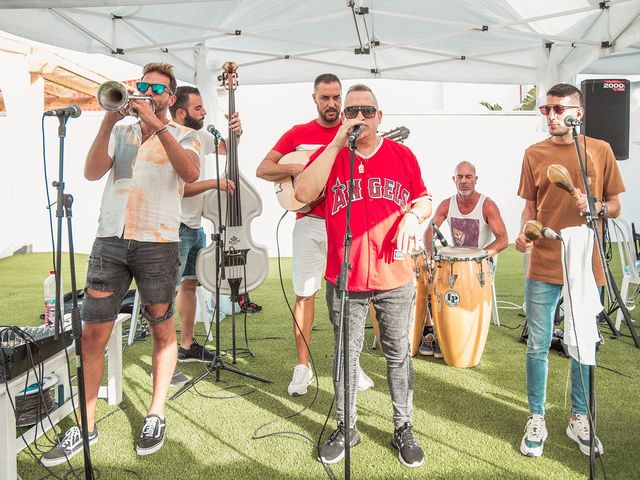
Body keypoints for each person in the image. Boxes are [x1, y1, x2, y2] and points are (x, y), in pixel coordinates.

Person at [41, 62, 201, 466]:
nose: (148, 93)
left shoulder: (185, 135)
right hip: (111, 239)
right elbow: (93, 173)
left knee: (162, 328)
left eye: (158, 89)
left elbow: (189, 172)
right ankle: (86, 422)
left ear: (171, 97)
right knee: (93, 334)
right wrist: (108, 118)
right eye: (143, 86)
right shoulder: (119, 130)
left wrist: (156, 124)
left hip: (159, 241)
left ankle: (155, 412)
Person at [295, 84, 432, 468]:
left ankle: (403, 426)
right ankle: (346, 426)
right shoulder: (332, 156)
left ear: (380, 116)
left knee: (397, 354)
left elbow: (423, 199)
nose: (359, 117)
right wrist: (337, 142)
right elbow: (303, 193)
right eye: (351, 110)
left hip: (395, 275)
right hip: (345, 277)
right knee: (345, 355)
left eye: (367, 111)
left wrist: (411, 215)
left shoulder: (402, 155)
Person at [515, 83, 624, 458]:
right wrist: (524, 232)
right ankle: (536, 417)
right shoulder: (534, 153)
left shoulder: (600, 151)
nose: (551, 116)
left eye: (558, 109)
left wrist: (594, 205)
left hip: (585, 262)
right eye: (546, 109)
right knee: (538, 344)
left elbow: (615, 206)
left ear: (579, 112)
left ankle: (579, 416)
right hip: (544, 259)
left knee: (583, 342)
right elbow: (530, 207)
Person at [256, 74, 373, 397]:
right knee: (304, 294)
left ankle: (351, 363)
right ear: (314, 98)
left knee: (350, 297)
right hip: (308, 222)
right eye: (326, 98)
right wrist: (296, 170)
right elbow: (263, 169)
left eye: (337, 97)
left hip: (344, 224)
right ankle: (302, 367)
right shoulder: (298, 134)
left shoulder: (354, 132)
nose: (332, 104)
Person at [168, 86, 240, 380]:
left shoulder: (201, 135)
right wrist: (214, 183)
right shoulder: (170, 137)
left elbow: (228, 150)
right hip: (175, 227)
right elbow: (180, 186)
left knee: (189, 285)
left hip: (195, 226)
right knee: (167, 293)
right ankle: (167, 357)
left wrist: (236, 132)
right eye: (199, 108)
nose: (205, 112)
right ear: (181, 112)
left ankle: (187, 344)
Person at [419, 161, 508, 357]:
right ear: (454, 179)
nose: (464, 181)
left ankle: (452, 337)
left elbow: (503, 240)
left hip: (481, 264)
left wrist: (480, 256)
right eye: (460, 177)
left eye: (468, 177)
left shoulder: (487, 205)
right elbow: (429, 231)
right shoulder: (446, 204)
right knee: (428, 280)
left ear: (476, 179)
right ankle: (431, 331)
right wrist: (430, 256)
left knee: (452, 290)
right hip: (454, 264)